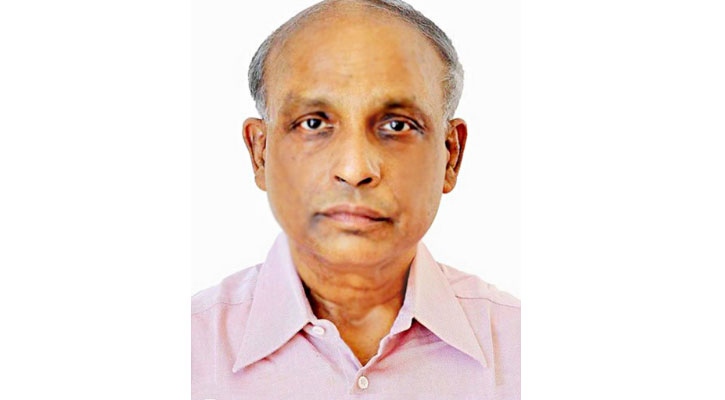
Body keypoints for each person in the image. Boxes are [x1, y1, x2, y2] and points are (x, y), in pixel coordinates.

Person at [191, 0, 520, 398]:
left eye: (397, 125)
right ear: (260, 153)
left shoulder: (521, 348)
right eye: (314, 123)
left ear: (451, 155)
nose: (354, 168)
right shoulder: (189, 349)